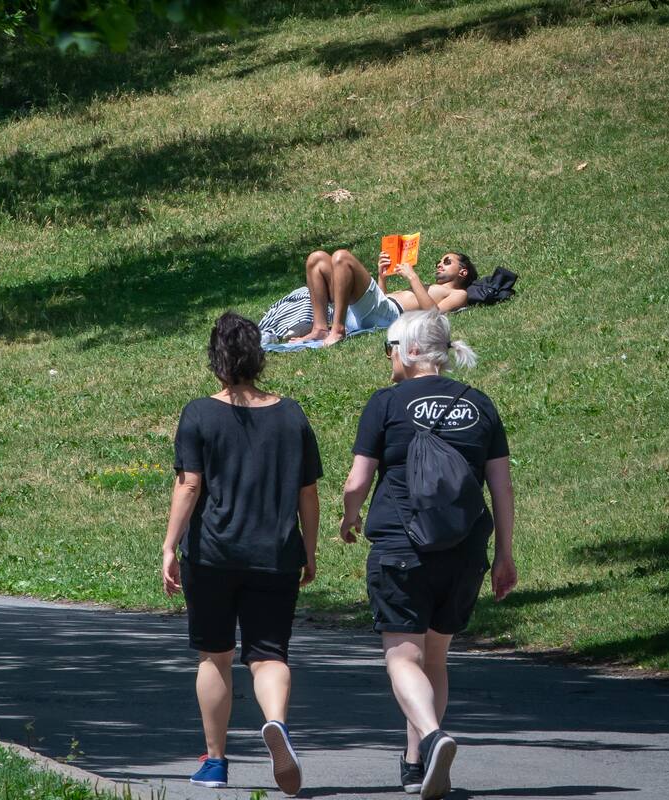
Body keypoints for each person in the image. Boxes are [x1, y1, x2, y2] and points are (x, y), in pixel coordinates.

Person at [338, 309, 516, 799]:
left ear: (411, 350)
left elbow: (357, 481)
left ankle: (434, 738)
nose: (388, 358)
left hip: (401, 545)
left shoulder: (386, 403)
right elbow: (501, 487)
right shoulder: (480, 405)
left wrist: (349, 517)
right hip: (463, 551)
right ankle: (416, 762)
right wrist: (504, 553)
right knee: (434, 655)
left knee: (401, 656)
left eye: (389, 348)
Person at [162, 311, 322, 796]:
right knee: (269, 655)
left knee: (215, 656)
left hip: (211, 554)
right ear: (259, 357)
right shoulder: (291, 414)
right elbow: (308, 494)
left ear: (216, 360)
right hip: (275, 553)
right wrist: (308, 552)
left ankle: (214, 762)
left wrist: (170, 544)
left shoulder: (199, 414)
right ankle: (275, 724)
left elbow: (190, 485)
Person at [291, 249, 479, 347]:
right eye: (439, 262)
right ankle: (320, 329)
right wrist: (382, 277)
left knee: (342, 257)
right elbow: (383, 301)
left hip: (388, 315)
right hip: (375, 310)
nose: (440, 265)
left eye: (447, 262)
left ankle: (337, 329)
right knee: (316, 259)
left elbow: (434, 315)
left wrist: (413, 277)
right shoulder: (430, 288)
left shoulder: (458, 294)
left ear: (463, 272)